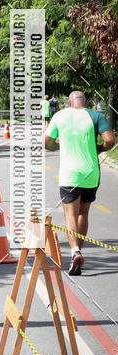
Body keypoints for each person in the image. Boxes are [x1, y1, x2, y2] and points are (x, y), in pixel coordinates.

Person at [45, 90, 115, 275]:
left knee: (70, 215)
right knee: (84, 212)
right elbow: (110, 140)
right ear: (85, 102)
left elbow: (47, 143)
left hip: (70, 175)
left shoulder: (60, 116)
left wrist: (59, 145)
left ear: (69, 103)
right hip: (91, 173)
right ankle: (79, 252)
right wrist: (99, 148)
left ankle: (75, 251)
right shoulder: (96, 115)